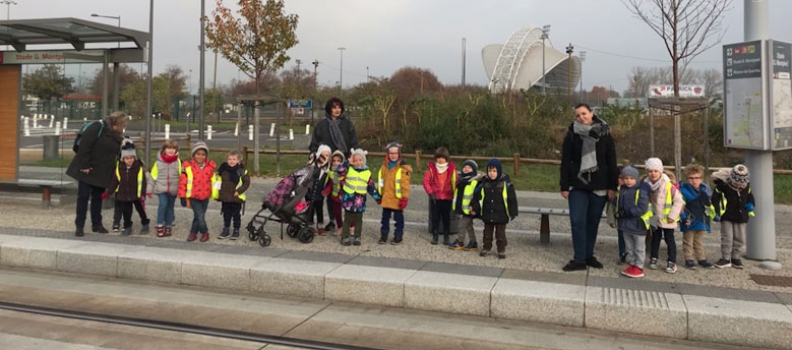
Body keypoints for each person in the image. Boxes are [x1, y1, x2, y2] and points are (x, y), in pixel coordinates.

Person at [559, 103, 618, 271]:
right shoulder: (572, 135)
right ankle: (579, 259)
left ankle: (588, 255)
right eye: (577, 115)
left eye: (584, 113)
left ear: (592, 113)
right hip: (578, 184)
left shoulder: (604, 133)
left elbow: (611, 160)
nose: (581, 117)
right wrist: (564, 185)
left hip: (600, 184)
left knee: (592, 222)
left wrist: (612, 186)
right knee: (577, 221)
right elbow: (565, 161)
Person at [67, 111, 128, 237]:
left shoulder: (117, 136)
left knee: (97, 198)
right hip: (88, 168)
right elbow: (85, 147)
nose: (124, 128)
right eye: (123, 125)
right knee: (83, 197)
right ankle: (80, 225)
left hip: (102, 170)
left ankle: (97, 224)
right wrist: (85, 166)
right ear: (116, 123)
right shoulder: (97, 127)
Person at [470, 158, 518, 259]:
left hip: (501, 214)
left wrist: (513, 212)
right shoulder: (484, 184)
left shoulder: (506, 185)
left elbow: (512, 200)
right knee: (487, 234)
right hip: (488, 213)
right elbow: (477, 197)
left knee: (500, 235)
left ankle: (501, 249)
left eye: (494, 171)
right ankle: (486, 248)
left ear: (499, 171)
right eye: (489, 171)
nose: (491, 173)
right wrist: (474, 207)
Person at [644, 158, 684, 274]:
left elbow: (678, 201)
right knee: (655, 239)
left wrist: (673, 215)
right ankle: (653, 257)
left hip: (668, 219)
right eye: (650, 171)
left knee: (669, 240)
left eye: (656, 171)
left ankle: (671, 262)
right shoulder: (646, 185)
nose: (653, 173)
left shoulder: (668, 185)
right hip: (654, 218)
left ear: (661, 172)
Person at [102, 140, 150, 236]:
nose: (129, 160)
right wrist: (108, 192)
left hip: (136, 194)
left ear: (134, 158)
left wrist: (142, 194)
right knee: (126, 212)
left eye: (131, 158)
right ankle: (127, 225)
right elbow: (115, 182)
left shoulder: (138, 168)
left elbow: (143, 182)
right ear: (123, 159)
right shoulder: (119, 169)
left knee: (140, 209)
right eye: (127, 158)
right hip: (123, 194)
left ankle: (145, 222)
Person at [712, 164, 755, 269]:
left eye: (741, 184)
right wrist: (717, 212)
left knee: (740, 238)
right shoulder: (723, 187)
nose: (739, 186)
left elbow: (750, 197)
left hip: (741, 216)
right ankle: (725, 258)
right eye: (736, 184)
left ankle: (735, 257)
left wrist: (750, 204)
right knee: (727, 237)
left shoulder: (746, 188)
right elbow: (715, 199)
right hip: (726, 215)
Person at [336, 148, 381, 246]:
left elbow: (371, 187)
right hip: (349, 199)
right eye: (355, 160)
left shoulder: (367, 173)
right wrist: (347, 163)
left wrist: (378, 198)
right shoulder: (349, 169)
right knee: (347, 218)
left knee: (358, 220)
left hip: (360, 201)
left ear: (363, 161)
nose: (357, 162)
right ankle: (345, 236)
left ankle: (357, 236)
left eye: (360, 160)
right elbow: (338, 170)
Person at [614, 166, 652, 278]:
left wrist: (628, 212)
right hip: (625, 224)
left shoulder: (641, 191)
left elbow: (642, 208)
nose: (628, 180)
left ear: (636, 178)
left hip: (638, 224)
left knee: (639, 247)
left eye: (631, 178)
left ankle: (639, 266)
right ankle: (632, 264)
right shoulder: (622, 189)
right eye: (626, 178)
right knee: (629, 247)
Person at [178, 142, 217, 242]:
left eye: (203, 154)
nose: (200, 156)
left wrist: (216, 193)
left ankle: (193, 232)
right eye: (198, 154)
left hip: (205, 196)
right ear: (193, 155)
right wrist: (182, 196)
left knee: (198, 216)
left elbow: (214, 181)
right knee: (199, 215)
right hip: (193, 196)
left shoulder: (210, 167)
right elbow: (183, 182)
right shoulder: (187, 167)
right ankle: (205, 232)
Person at [679, 164, 715, 269]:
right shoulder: (684, 191)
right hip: (690, 219)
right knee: (688, 241)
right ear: (687, 178)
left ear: (701, 178)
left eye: (696, 178)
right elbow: (680, 207)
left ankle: (701, 258)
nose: (694, 180)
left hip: (702, 219)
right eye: (691, 178)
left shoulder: (706, 189)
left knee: (699, 241)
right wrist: (684, 218)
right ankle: (689, 259)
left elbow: (709, 205)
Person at [376, 142, 412, 245]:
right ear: (387, 154)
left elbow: (405, 184)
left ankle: (398, 235)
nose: (393, 155)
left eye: (395, 153)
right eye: (391, 153)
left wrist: (405, 197)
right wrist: (379, 195)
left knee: (398, 219)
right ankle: (384, 235)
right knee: (384, 219)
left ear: (399, 154)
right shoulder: (384, 167)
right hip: (386, 197)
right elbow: (381, 181)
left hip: (397, 199)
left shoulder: (402, 168)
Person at [423, 147, 457, 245]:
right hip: (435, 198)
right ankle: (435, 235)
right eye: (438, 158)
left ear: (446, 158)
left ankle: (446, 235)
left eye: (442, 158)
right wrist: (430, 193)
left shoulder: (451, 170)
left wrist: (455, 194)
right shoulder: (431, 169)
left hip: (447, 198)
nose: (440, 160)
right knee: (435, 218)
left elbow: (456, 182)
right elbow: (426, 182)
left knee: (446, 218)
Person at [148, 139, 181, 238]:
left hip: (173, 189)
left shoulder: (178, 162)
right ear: (164, 149)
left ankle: (168, 225)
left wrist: (183, 189)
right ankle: (159, 224)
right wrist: (149, 190)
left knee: (170, 208)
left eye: (173, 149)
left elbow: (181, 175)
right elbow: (152, 177)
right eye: (169, 148)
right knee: (163, 205)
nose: (171, 150)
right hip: (161, 188)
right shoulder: (158, 163)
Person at [215, 150, 250, 240]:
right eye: (230, 159)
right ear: (227, 160)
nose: (232, 161)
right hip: (225, 196)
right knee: (226, 213)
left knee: (236, 214)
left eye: (234, 159)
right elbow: (218, 181)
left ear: (238, 160)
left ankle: (236, 229)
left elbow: (246, 183)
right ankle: (226, 229)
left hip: (236, 197)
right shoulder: (223, 170)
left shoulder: (241, 171)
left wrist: (239, 191)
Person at [449, 160, 481, 251]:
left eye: (469, 167)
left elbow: (476, 196)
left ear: (474, 170)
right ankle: (473, 242)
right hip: (462, 208)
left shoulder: (474, 182)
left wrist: (474, 207)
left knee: (462, 225)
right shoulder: (461, 180)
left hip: (469, 209)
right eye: (465, 167)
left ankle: (460, 241)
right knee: (469, 226)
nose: (466, 169)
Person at [306, 145, 332, 234]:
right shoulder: (313, 165)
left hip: (320, 193)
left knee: (319, 209)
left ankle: (320, 225)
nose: (325, 157)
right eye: (323, 155)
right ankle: (310, 224)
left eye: (327, 155)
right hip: (310, 192)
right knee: (310, 209)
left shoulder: (328, 169)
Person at [606, 168, 627, 264]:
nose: (619, 181)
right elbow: (610, 207)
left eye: (622, 178)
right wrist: (611, 220)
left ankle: (631, 255)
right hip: (620, 219)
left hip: (631, 219)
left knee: (631, 239)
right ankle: (622, 254)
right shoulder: (614, 192)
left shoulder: (631, 190)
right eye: (618, 178)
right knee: (621, 237)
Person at [322, 150, 346, 236]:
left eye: (338, 161)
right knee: (337, 213)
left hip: (345, 196)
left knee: (349, 212)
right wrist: (326, 191)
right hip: (335, 196)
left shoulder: (345, 172)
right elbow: (330, 184)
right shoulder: (331, 173)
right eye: (334, 161)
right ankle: (340, 226)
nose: (336, 163)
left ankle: (351, 226)